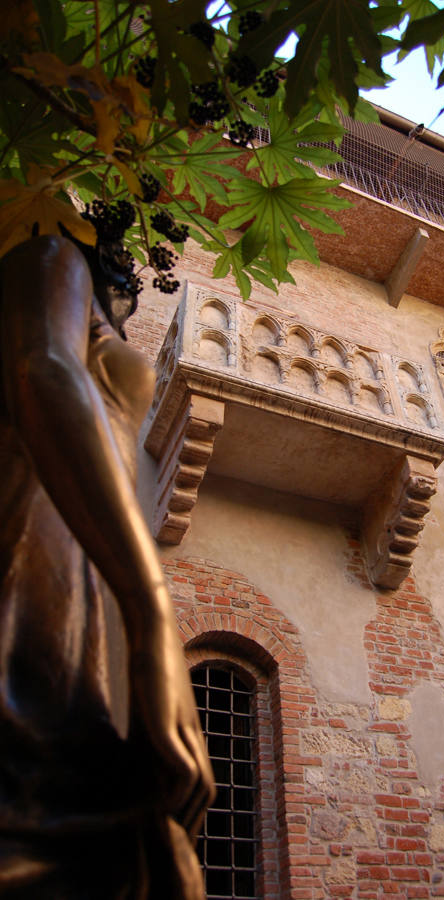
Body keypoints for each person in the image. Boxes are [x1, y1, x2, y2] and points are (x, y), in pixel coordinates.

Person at [0, 235, 214, 898]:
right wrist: (151, 607)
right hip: (34, 530)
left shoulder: (97, 312)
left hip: (88, 554)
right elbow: (45, 368)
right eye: (119, 258)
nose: (134, 273)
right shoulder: (51, 259)